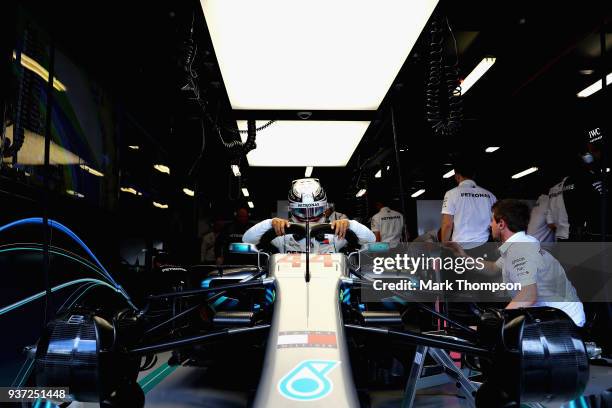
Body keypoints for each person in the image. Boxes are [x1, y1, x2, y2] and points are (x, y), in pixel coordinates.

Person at [447, 199, 585, 326]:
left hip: (564, 323)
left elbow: (528, 294)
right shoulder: (519, 245)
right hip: (550, 317)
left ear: (501, 224)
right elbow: (493, 268)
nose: (490, 225)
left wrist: (498, 322)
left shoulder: (521, 249)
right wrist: (464, 257)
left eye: (492, 221)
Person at [243, 178, 375, 253]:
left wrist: (350, 224)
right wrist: (270, 223)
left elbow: (371, 240)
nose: (308, 217)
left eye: (313, 210)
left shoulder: (336, 233)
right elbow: (247, 240)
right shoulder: (282, 233)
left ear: (324, 207)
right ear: (291, 209)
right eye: (302, 211)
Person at [441, 159, 497, 255]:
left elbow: (447, 224)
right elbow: (496, 223)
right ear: (474, 175)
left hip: (460, 249)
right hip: (485, 247)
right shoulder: (490, 195)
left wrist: (443, 246)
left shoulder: (451, 194)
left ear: (457, 176)